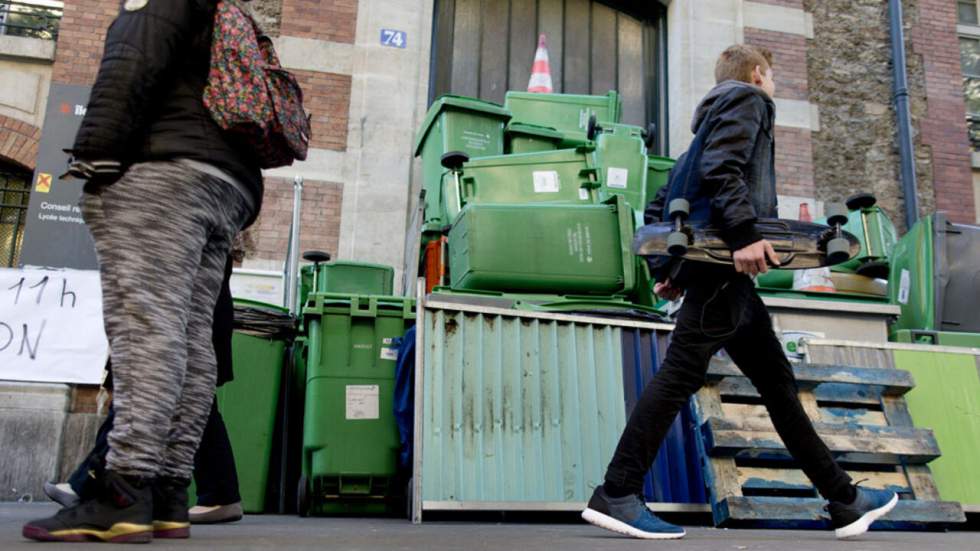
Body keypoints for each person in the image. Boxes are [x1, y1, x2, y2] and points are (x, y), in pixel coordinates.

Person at [581, 44, 898, 540]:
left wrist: (671, 269)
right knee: (680, 375)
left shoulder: (699, 132)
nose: (772, 86)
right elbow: (724, 171)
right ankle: (618, 491)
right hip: (727, 268)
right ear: (757, 74)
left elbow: (665, 204)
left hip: (721, 274)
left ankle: (844, 498)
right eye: (771, 77)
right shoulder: (749, 101)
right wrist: (746, 235)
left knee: (777, 383)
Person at [23, 0, 261, 543]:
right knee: (191, 340)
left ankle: (124, 491)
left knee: (146, 330)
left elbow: (126, 71)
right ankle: (169, 491)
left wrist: (95, 157)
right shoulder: (228, 17)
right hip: (229, 185)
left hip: (163, 175)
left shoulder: (163, 8)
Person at [43, 256, 243, 526]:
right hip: (188, 315)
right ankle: (203, 496)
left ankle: (91, 486)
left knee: (141, 394)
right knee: (193, 404)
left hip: (178, 316)